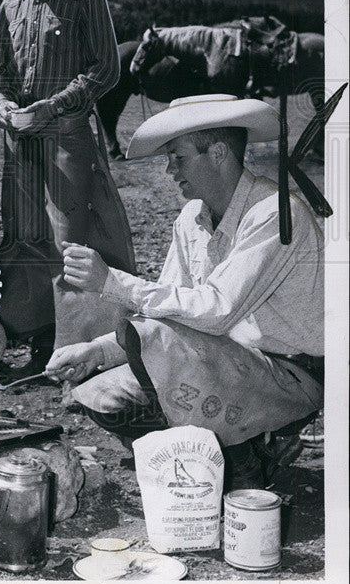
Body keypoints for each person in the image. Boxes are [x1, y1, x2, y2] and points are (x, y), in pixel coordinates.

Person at [45, 94, 324, 488]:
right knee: (100, 396)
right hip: (222, 358)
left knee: (159, 342)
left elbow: (216, 310)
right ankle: (213, 456)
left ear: (219, 153)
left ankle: (246, 455)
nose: (168, 170)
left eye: (178, 157)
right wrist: (98, 351)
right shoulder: (192, 217)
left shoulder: (276, 212)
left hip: (290, 375)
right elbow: (169, 310)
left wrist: (112, 282)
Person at [0, 0, 136, 376]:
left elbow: (105, 69)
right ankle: (35, 337)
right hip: (20, 141)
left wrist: (52, 104)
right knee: (25, 238)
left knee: (72, 243)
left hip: (67, 137)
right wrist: (4, 106)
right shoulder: (10, 4)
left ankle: (78, 353)